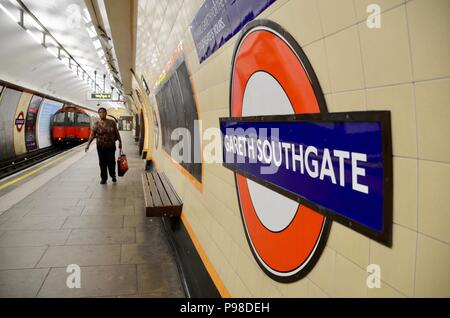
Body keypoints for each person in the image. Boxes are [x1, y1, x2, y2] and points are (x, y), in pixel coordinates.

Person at [85, 107, 122, 184]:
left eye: (103, 112)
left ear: (106, 113)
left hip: (111, 145)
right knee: (102, 162)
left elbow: (116, 132)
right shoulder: (96, 124)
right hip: (100, 146)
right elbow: (92, 135)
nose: (101, 114)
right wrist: (88, 145)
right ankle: (104, 178)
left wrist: (120, 141)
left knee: (111, 161)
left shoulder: (112, 122)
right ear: (98, 114)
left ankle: (113, 175)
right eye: (100, 112)